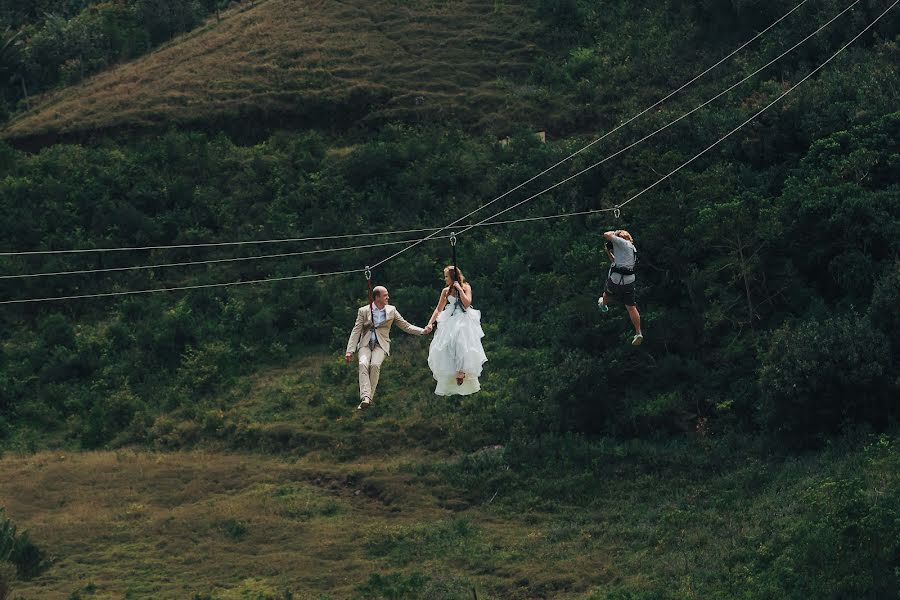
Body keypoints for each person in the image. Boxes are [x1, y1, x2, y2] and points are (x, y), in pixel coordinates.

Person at [345, 286, 433, 410]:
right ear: (377, 298)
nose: (388, 297)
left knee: (375, 365)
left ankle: (369, 397)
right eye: (385, 295)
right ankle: (365, 396)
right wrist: (350, 351)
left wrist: (422, 331)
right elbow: (356, 331)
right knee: (363, 364)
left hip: (381, 345)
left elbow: (406, 326)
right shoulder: (363, 311)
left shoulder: (391, 310)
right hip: (365, 344)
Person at [425, 266, 487, 395]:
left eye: (446, 276)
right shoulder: (445, 291)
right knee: (445, 344)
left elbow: (467, 303)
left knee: (461, 338)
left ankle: (462, 370)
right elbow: (439, 309)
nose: (445, 279)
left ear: (453, 276)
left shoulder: (466, 287)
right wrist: (431, 323)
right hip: (450, 316)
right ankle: (453, 369)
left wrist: (459, 289)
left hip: (463, 316)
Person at [598, 229, 643, 346]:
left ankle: (603, 305)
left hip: (617, 279)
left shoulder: (622, 242)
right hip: (629, 281)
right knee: (631, 307)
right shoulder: (632, 248)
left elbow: (606, 235)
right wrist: (608, 252)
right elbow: (615, 260)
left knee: (607, 294)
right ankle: (638, 332)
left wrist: (614, 232)